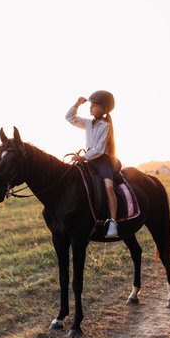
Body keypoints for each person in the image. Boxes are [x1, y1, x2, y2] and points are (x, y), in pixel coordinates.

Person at [65, 90, 118, 238]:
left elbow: (99, 149)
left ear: (105, 109)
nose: (90, 108)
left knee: (108, 187)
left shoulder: (105, 126)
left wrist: (83, 157)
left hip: (101, 161)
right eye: (90, 105)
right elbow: (69, 117)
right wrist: (77, 103)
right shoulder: (88, 123)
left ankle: (113, 222)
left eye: (94, 106)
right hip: (89, 160)